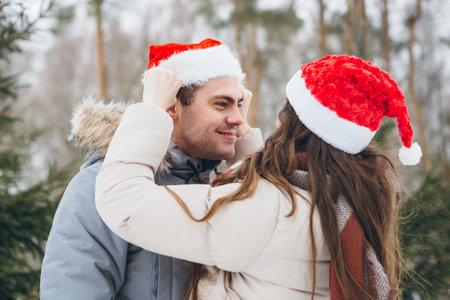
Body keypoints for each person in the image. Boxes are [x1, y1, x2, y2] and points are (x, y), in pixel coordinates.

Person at [95, 55, 423, 299]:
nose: (275, 124)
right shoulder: (344, 200)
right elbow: (271, 209)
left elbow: (123, 202)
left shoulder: (262, 209)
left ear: (293, 127)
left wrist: (151, 110)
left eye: (284, 115)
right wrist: (246, 139)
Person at [40, 39, 263, 299]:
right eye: (222, 104)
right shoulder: (100, 185)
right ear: (172, 108)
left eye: (239, 104)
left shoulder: (219, 188)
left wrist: (246, 143)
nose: (237, 118)